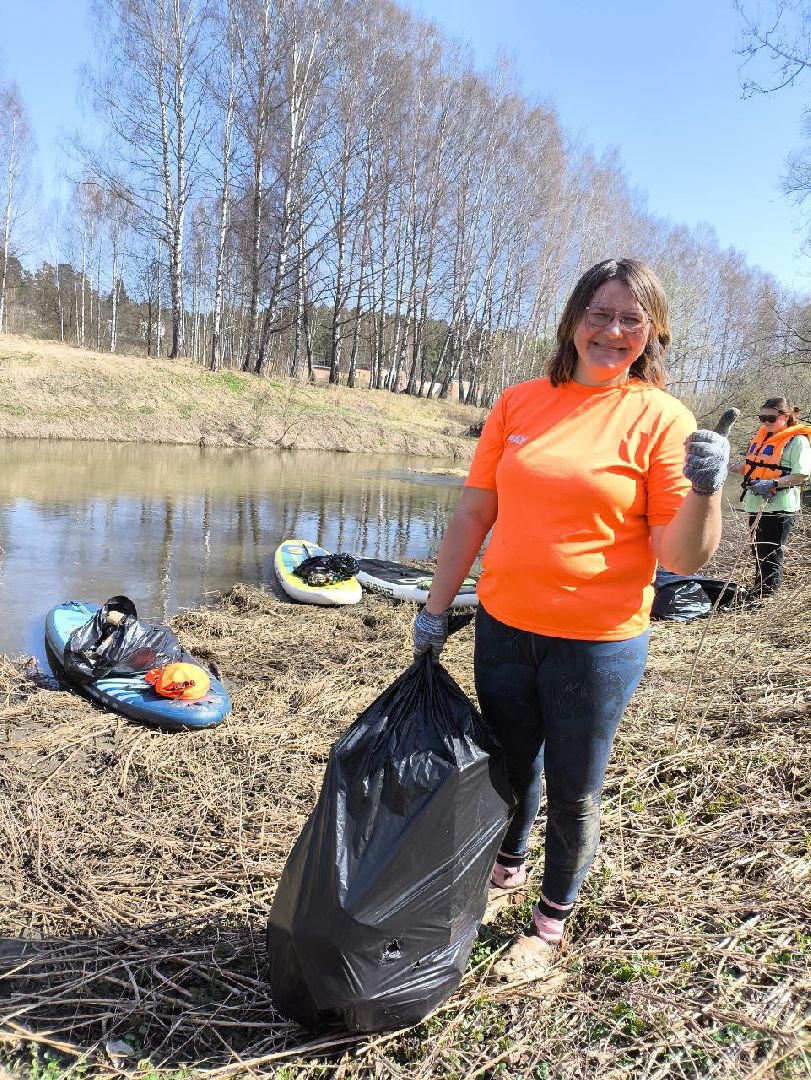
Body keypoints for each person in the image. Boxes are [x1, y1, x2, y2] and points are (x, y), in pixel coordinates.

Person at [412, 258, 729, 982]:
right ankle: (504, 877)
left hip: (597, 641)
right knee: (508, 765)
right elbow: (473, 511)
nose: (611, 331)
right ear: (573, 319)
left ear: (650, 332)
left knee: (573, 785)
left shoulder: (660, 418)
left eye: (630, 319)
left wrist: (707, 490)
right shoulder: (519, 402)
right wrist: (436, 611)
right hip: (502, 626)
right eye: (599, 313)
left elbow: (678, 554)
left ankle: (548, 927)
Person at [728, 398, 811, 599]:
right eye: (762, 417)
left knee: (771, 554)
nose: (765, 422)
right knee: (758, 551)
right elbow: (759, 467)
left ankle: (766, 597)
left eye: (771, 418)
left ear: (784, 417)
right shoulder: (763, 437)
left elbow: (802, 474)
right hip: (756, 505)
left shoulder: (797, 440)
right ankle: (759, 590)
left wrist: (772, 484)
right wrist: (737, 468)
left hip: (780, 507)